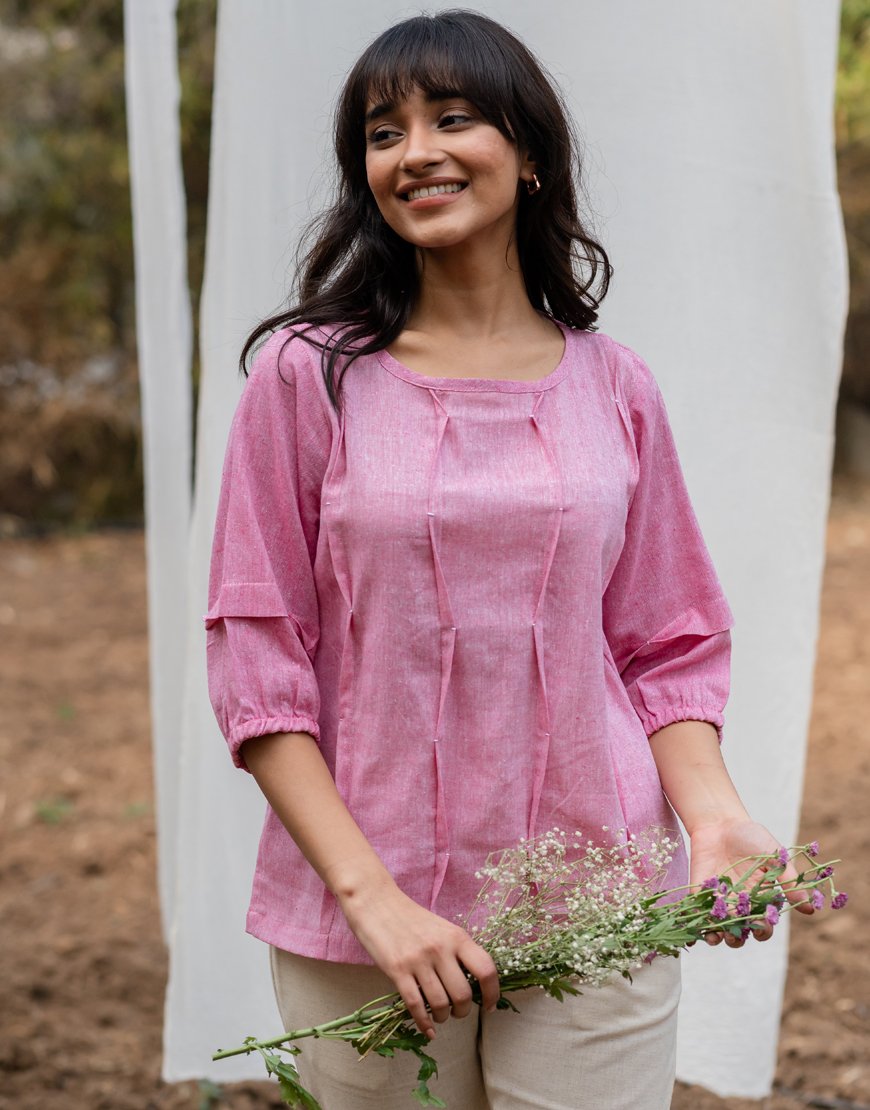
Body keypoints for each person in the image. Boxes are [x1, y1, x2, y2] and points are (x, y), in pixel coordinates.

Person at [205, 11, 814, 1109]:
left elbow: (665, 641)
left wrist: (715, 816)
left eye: (454, 117)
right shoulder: (306, 378)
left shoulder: (615, 385)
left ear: (529, 155)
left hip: (596, 892)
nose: (416, 151)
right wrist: (373, 899)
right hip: (363, 913)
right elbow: (258, 663)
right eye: (382, 134)